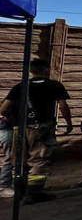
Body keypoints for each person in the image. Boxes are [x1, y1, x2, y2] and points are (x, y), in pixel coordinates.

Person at [0, 59, 72, 198]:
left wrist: (17, 120)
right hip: (42, 127)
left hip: (20, 129)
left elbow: (3, 109)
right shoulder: (54, 85)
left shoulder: (20, 86)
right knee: (40, 159)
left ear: (31, 71)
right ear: (46, 69)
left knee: (20, 160)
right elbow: (63, 106)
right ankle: (34, 193)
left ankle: (20, 191)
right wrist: (69, 123)